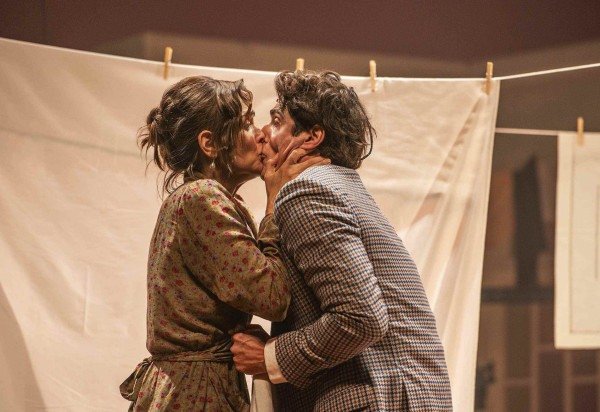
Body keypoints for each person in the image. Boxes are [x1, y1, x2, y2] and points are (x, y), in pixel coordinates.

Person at [231, 70, 453, 411]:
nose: (262, 132)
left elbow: (361, 318)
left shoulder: (308, 191)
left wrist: (270, 357)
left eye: (276, 121)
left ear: (311, 137)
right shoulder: (339, 185)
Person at [119, 75, 329, 412]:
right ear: (210, 144)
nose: (261, 134)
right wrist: (274, 201)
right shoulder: (202, 199)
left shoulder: (202, 199)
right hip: (194, 395)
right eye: (246, 124)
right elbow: (271, 296)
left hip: (197, 387)